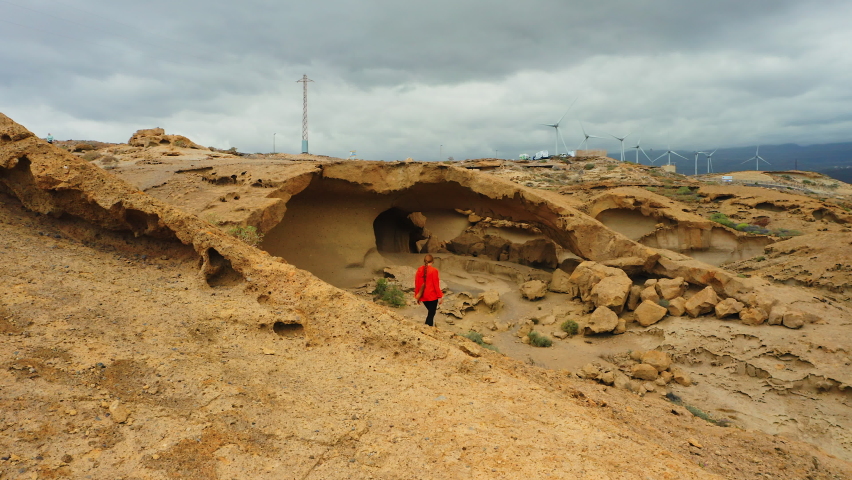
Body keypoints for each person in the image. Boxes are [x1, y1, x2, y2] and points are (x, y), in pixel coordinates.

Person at [414, 254, 443, 327]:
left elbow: (417, 283)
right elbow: (436, 285)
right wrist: (440, 296)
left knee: (431, 313)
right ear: (433, 261)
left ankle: (429, 326)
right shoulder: (434, 271)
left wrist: (418, 295)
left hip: (423, 296)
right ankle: (427, 328)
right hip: (432, 296)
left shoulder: (419, 269)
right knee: (431, 313)